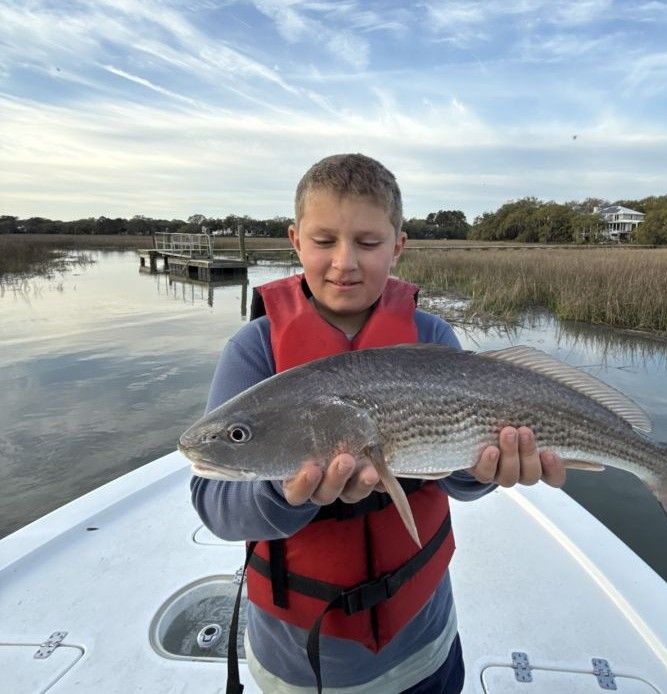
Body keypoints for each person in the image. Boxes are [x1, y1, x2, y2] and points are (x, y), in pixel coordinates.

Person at [190, 153, 565, 694]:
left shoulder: (431, 336)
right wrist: (284, 494)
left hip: (425, 644)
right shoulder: (254, 349)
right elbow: (213, 502)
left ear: (398, 245)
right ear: (295, 241)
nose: (345, 262)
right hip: (300, 667)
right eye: (324, 241)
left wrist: (485, 472)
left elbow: (456, 475)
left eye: (368, 243)